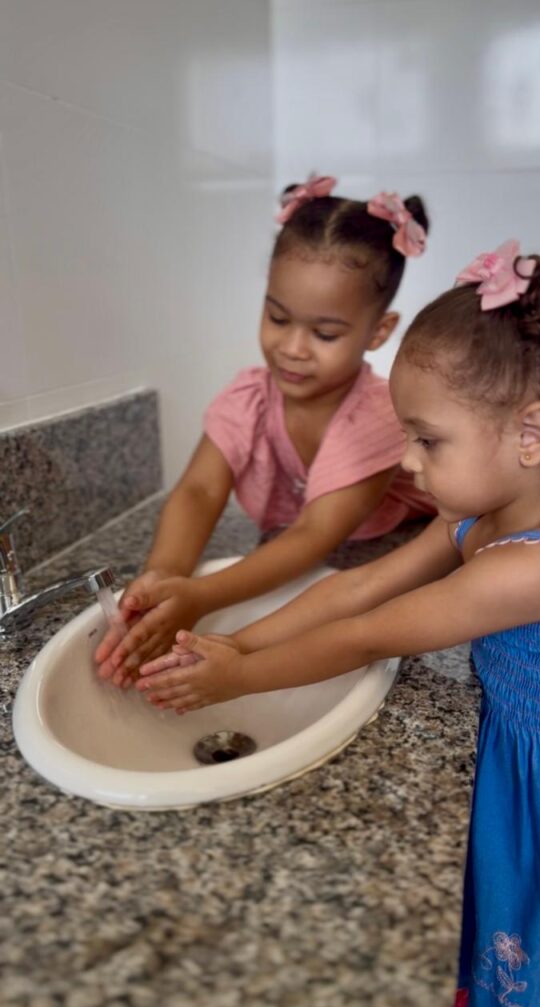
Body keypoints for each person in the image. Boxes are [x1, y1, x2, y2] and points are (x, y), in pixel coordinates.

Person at [138, 240, 540, 1007]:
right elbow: (359, 584)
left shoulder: (533, 565)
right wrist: (239, 644)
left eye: (427, 439)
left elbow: (372, 634)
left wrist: (237, 678)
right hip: (519, 745)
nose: (407, 462)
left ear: (532, 435)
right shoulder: (479, 516)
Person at [95, 175, 433, 685]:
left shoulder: (378, 414)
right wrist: (165, 573)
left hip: (401, 545)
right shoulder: (251, 396)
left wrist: (202, 597)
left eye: (324, 333)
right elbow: (199, 490)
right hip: (326, 549)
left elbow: (316, 534)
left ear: (378, 332)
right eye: (278, 317)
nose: (293, 347)